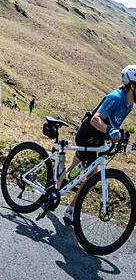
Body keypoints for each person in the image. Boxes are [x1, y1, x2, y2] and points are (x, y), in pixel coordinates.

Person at [56, 65, 135, 224]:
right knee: (88, 174)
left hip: (98, 139)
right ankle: (59, 200)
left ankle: (60, 199)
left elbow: (114, 123)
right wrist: (110, 130)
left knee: (80, 171)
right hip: (87, 135)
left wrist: (120, 135)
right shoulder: (116, 98)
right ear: (132, 86)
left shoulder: (129, 105)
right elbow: (95, 120)